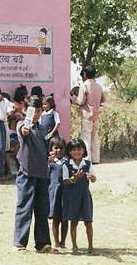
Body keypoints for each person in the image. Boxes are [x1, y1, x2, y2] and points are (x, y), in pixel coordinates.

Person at [12, 95, 58, 254]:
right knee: (24, 209)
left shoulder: (44, 128)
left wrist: (49, 157)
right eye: (33, 111)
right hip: (27, 173)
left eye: (39, 111)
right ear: (26, 110)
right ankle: (19, 244)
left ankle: (43, 244)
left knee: (42, 210)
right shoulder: (22, 125)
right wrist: (27, 124)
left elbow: (43, 148)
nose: (37, 114)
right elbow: (23, 131)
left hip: (42, 173)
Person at [62, 138, 97, 255]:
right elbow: (65, 181)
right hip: (72, 197)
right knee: (74, 221)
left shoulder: (87, 164)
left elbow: (94, 179)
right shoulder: (66, 165)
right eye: (73, 150)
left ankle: (91, 247)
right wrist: (74, 179)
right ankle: (74, 247)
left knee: (88, 221)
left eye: (79, 149)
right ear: (69, 151)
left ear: (83, 150)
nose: (76, 152)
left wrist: (92, 177)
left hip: (85, 196)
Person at [73, 65, 105, 163]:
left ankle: (87, 159)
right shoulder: (98, 86)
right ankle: (96, 159)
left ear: (85, 74)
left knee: (86, 137)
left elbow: (81, 101)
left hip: (87, 115)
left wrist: (74, 99)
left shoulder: (84, 85)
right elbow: (103, 100)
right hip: (96, 115)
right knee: (94, 137)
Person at [48, 136, 68, 250]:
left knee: (65, 218)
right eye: (56, 148)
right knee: (56, 218)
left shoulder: (67, 163)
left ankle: (63, 242)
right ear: (51, 149)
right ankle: (56, 242)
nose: (59, 150)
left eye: (61, 148)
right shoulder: (49, 163)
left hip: (65, 193)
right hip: (54, 193)